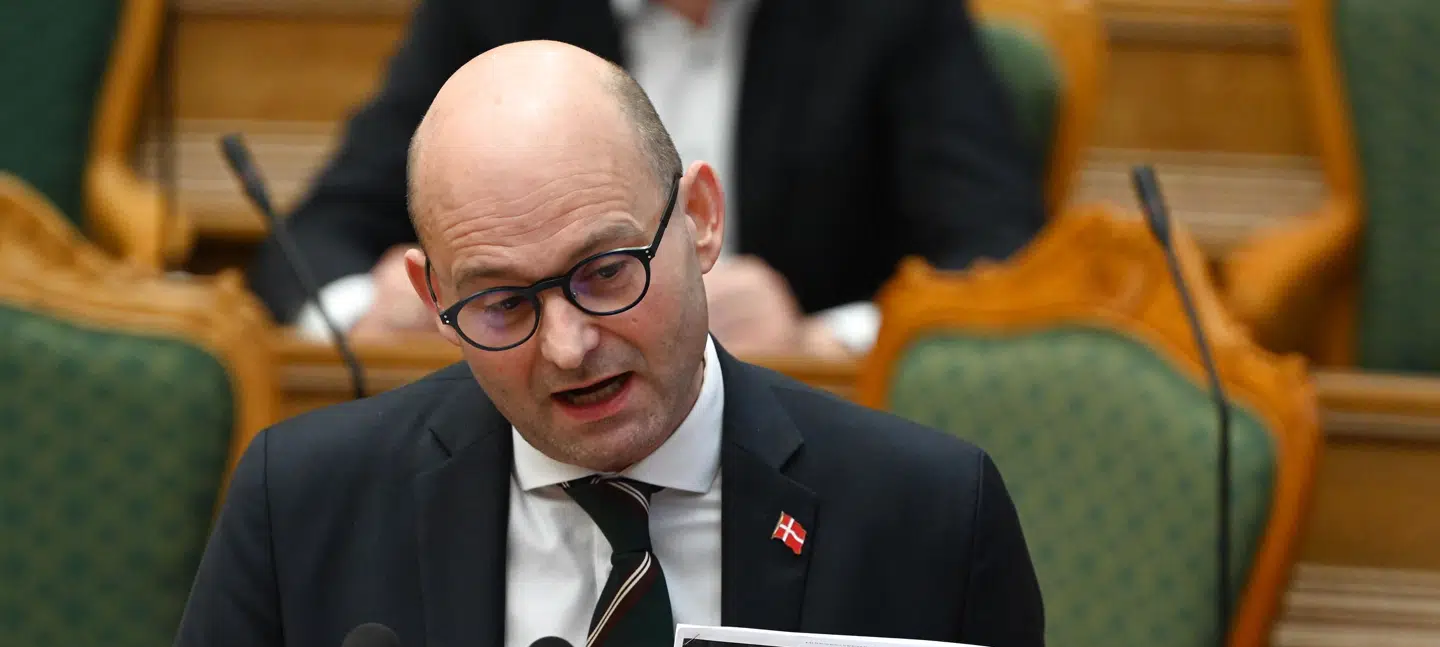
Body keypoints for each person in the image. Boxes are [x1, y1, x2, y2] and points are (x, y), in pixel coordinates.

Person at [98, 42, 1094, 647]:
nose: (569, 344)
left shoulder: (920, 510)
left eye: (606, 271)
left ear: (700, 219)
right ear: (430, 291)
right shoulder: (309, 503)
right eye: (502, 302)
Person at [246, 0, 1045, 357]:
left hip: (806, 437)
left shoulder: (892, 13)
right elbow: (316, 236)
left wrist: (826, 339)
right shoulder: (502, 7)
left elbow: (1001, 258)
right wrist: (366, 317)